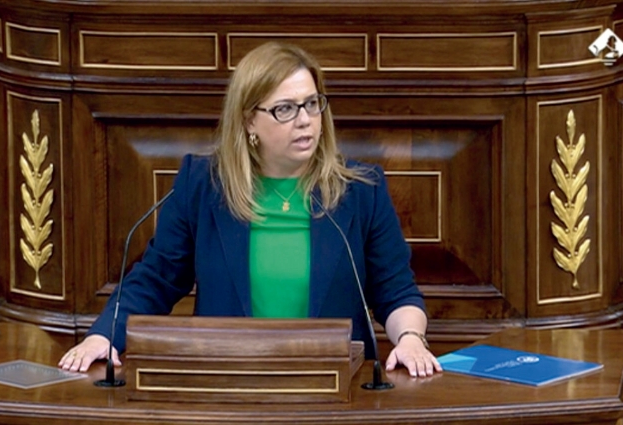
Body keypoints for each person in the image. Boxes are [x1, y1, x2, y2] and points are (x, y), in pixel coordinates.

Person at [58, 41, 442, 378]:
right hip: (228, 383)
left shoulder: (360, 191)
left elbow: (396, 291)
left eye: (312, 103)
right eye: (285, 109)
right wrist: (104, 335)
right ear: (248, 121)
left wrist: (410, 339)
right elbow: (156, 278)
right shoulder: (203, 185)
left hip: (336, 387)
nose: (306, 120)